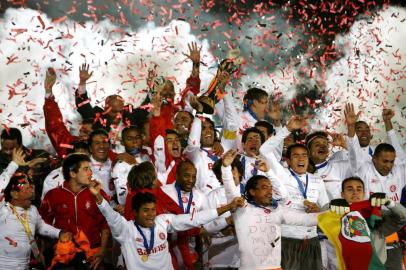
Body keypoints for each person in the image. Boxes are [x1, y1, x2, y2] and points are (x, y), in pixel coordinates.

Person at [89, 181, 244, 270]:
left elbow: (194, 219)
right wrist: (97, 196)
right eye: (145, 211)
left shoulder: (162, 221)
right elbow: (111, 217)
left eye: (152, 210)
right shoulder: (126, 230)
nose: (151, 215)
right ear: (135, 212)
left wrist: (227, 207)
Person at [221, 149, 321, 270]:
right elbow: (230, 190)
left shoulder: (278, 211)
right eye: (264, 188)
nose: (269, 192)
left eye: (270, 188)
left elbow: (306, 219)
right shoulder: (241, 209)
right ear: (252, 191)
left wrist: (335, 214)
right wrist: (225, 168)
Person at [345, 103, 406, 270]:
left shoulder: (399, 170)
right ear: (373, 159)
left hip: (391, 228)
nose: (389, 165)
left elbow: (400, 155)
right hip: (368, 225)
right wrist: (351, 128)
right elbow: (353, 154)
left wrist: (388, 122)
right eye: (384, 161)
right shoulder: (364, 169)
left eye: (391, 161)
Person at [39, 153, 111, 269]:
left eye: (90, 169)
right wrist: (41, 252)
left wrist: (102, 250)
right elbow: (42, 224)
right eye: (85, 169)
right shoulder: (53, 195)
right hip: (64, 254)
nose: (91, 173)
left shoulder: (98, 193)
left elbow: (106, 224)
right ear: (72, 173)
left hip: (92, 253)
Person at [327, 177, 406, 267]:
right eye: (350, 189)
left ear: (364, 194)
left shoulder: (376, 216)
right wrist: (331, 205)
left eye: (359, 189)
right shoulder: (334, 214)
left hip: (374, 267)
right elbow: (319, 218)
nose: (355, 192)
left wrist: (389, 202)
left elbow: (403, 217)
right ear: (342, 194)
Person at [0, 173, 70, 270]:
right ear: (14, 194)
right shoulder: (3, 210)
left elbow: (37, 229)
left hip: (24, 265)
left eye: (30, 185)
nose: (31, 189)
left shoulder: (32, 210)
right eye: (26, 186)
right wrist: (14, 164)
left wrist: (59, 233)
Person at [43, 67, 95, 158]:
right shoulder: (68, 144)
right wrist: (48, 92)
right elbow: (54, 125)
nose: (82, 133)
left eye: (86, 132)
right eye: (82, 130)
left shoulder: (102, 149)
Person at [111, 126, 151, 205]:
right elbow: (122, 199)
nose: (135, 141)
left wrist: (135, 162)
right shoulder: (120, 166)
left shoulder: (148, 156)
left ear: (142, 138)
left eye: (137, 137)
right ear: (122, 142)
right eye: (129, 139)